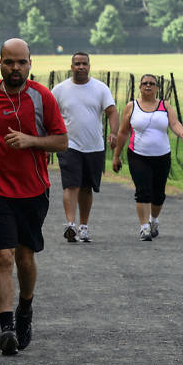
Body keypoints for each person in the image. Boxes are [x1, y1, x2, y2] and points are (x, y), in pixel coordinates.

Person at [0, 38, 68, 356]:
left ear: (30, 63)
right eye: (9, 62)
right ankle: (6, 327)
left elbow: (61, 141)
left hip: (33, 189)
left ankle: (25, 309)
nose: (15, 68)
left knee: (25, 257)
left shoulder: (41, 97)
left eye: (21, 62)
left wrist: (31, 141)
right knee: (3, 256)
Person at [51, 52, 118, 243]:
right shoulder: (60, 89)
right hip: (68, 144)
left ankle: (84, 226)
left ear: (89, 66)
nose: (81, 67)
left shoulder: (100, 88)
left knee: (87, 188)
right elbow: (49, 114)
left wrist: (113, 132)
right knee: (71, 184)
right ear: (71, 66)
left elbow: (112, 111)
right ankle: (70, 224)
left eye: (84, 64)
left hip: (94, 145)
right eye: (77, 64)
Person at [112, 74, 183, 241]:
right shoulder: (131, 106)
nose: (148, 86)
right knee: (143, 191)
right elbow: (123, 132)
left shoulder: (164, 105)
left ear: (157, 88)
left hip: (162, 156)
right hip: (138, 155)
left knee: (158, 193)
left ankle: (154, 220)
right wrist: (116, 156)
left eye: (152, 84)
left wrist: (182, 134)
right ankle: (144, 227)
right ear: (139, 87)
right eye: (145, 83)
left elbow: (174, 123)